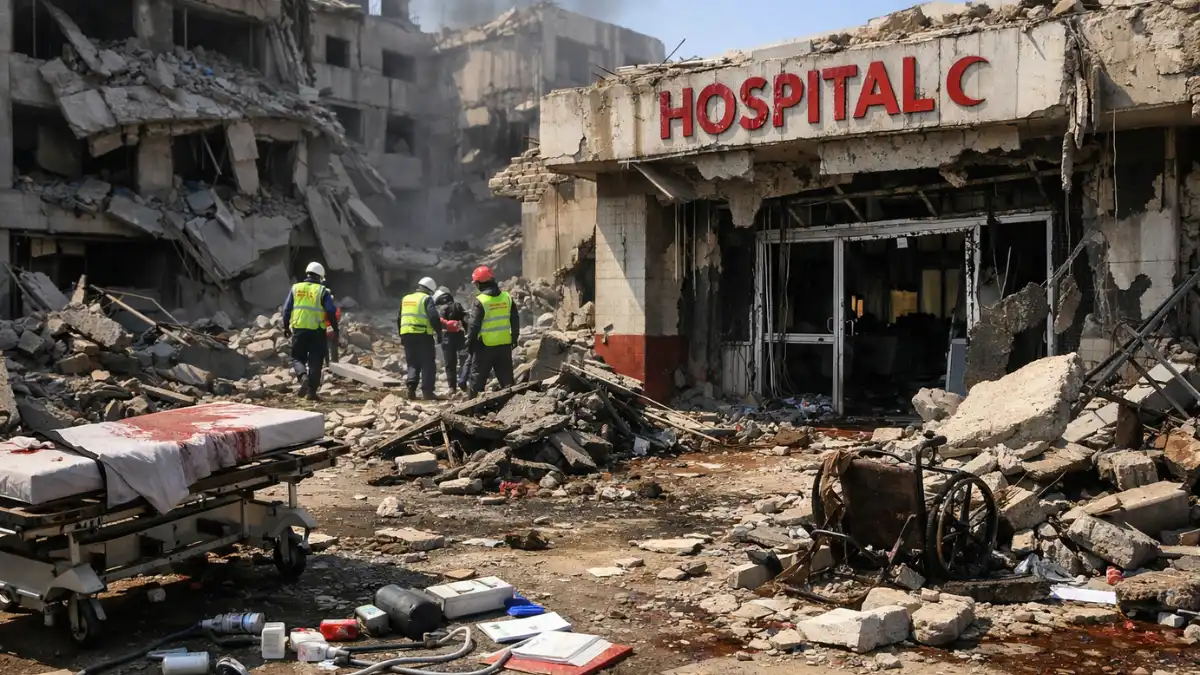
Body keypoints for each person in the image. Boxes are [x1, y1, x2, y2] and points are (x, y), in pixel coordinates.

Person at [282, 262, 339, 401]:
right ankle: (311, 393)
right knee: (316, 361)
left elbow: (286, 309)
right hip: (317, 331)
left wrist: (286, 327)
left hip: (299, 329)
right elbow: (330, 311)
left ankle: (303, 377)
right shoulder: (322, 290)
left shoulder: (296, 288)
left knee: (297, 358)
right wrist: (335, 329)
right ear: (320, 277)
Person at [466, 266, 519, 397]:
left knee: (477, 382)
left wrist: (470, 345)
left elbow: (473, 326)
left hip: (484, 346)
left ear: (478, 283)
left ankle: (472, 406)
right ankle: (513, 405)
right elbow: (515, 320)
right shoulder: (507, 297)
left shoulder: (481, 301)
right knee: (507, 382)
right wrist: (514, 339)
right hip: (504, 345)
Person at [398, 276, 443, 400]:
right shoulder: (426, 299)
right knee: (427, 364)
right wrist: (439, 333)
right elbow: (433, 317)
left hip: (407, 334)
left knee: (412, 362)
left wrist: (401, 335)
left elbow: (399, 318)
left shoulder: (406, 298)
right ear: (430, 290)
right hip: (423, 335)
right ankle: (427, 392)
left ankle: (411, 389)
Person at [433, 287, 469, 396]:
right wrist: (468, 334)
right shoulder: (458, 305)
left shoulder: (441, 309)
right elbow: (466, 321)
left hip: (447, 338)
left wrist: (438, 338)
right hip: (460, 336)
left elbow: (438, 325)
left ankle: (452, 388)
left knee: (450, 363)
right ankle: (463, 381)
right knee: (464, 360)